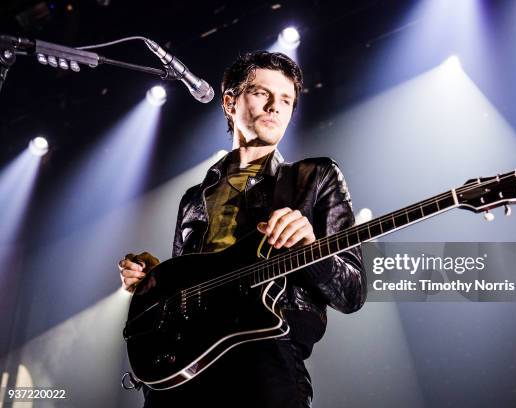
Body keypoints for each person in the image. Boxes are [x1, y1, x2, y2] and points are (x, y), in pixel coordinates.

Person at [118, 51, 366, 407]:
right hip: (186, 365)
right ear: (230, 102)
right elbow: (190, 285)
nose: (275, 107)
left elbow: (352, 292)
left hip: (265, 352)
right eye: (262, 93)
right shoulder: (194, 198)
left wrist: (309, 249)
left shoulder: (315, 177)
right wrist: (154, 280)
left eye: (286, 100)